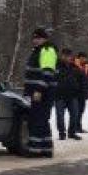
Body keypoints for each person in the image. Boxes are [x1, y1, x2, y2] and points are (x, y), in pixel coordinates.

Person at [23, 27, 58, 157]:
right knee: (42, 119)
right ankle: (46, 148)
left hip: (42, 91)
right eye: (34, 38)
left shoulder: (47, 50)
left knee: (37, 119)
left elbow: (47, 73)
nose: (36, 40)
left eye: (38, 38)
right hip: (39, 91)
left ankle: (35, 150)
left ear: (45, 39)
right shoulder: (38, 51)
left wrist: (38, 90)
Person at [54, 48, 82, 141]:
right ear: (61, 56)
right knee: (60, 116)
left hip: (72, 95)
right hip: (59, 95)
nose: (67, 57)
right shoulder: (56, 66)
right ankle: (62, 133)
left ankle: (72, 132)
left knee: (74, 114)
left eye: (69, 56)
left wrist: (79, 90)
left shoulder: (74, 67)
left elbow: (80, 79)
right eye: (65, 55)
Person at [74, 52, 88, 133]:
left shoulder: (87, 67)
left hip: (83, 92)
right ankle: (74, 127)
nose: (83, 59)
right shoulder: (74, 66)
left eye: (85, 58)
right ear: (78, 58)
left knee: (81, 110)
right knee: (75, 111)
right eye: (82, 58)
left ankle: (78, 127)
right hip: (76, 92)